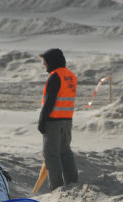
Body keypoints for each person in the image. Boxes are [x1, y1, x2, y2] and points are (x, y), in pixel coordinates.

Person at [38, 48, 78, 191]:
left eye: (45, 61)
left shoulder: (55, 76)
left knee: (51, 154)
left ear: (52, 62)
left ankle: (56, 187)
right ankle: (72, 184)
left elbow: (50, 101)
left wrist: (42, 122)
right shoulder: (71, 76)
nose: (44, 64)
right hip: (67, 120)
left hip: (53, 121)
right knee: (65, 152)